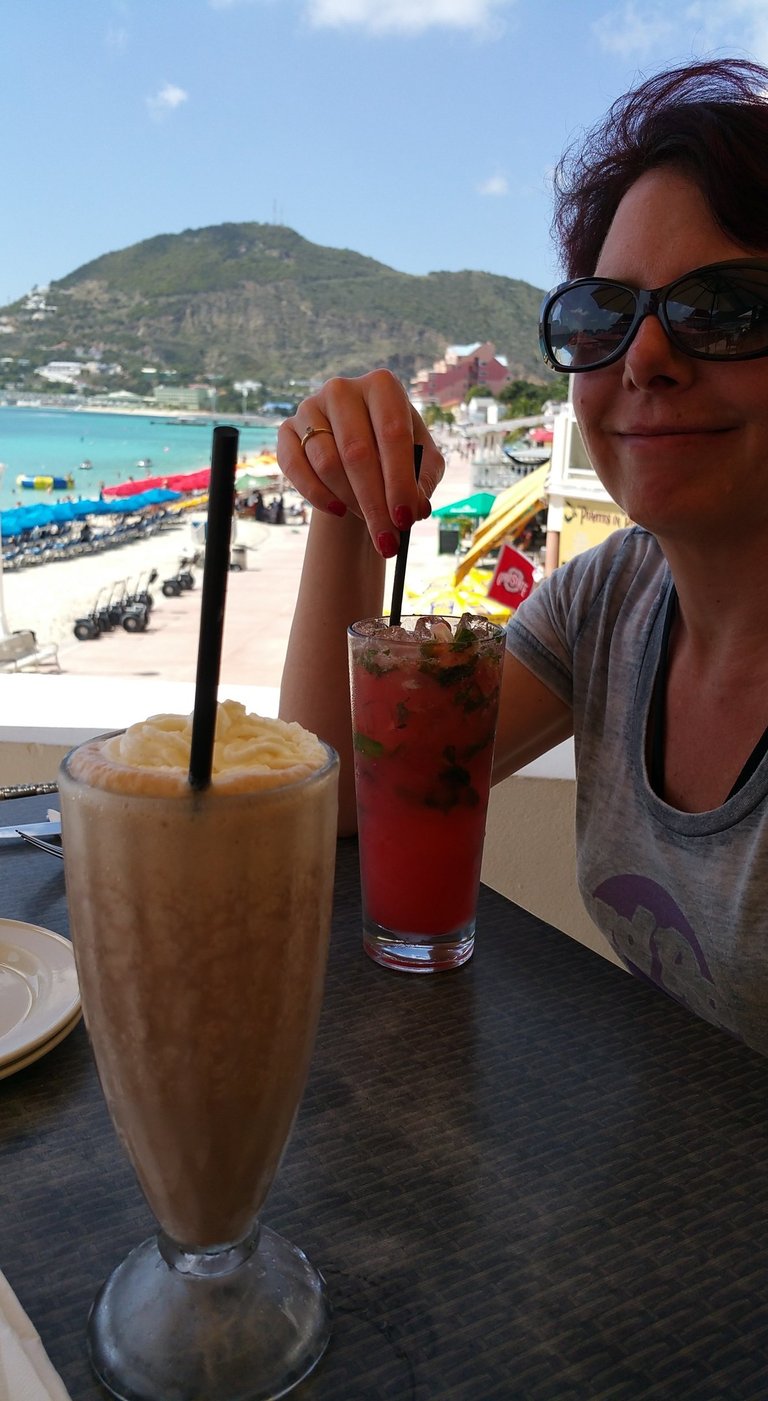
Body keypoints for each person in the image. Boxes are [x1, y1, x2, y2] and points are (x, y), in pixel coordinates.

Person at [277, 58, 768, 1058]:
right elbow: (341, 798)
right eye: (603, 313)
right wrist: (346, 493)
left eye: (722, 309)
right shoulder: (609, 603)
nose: (644, 359)